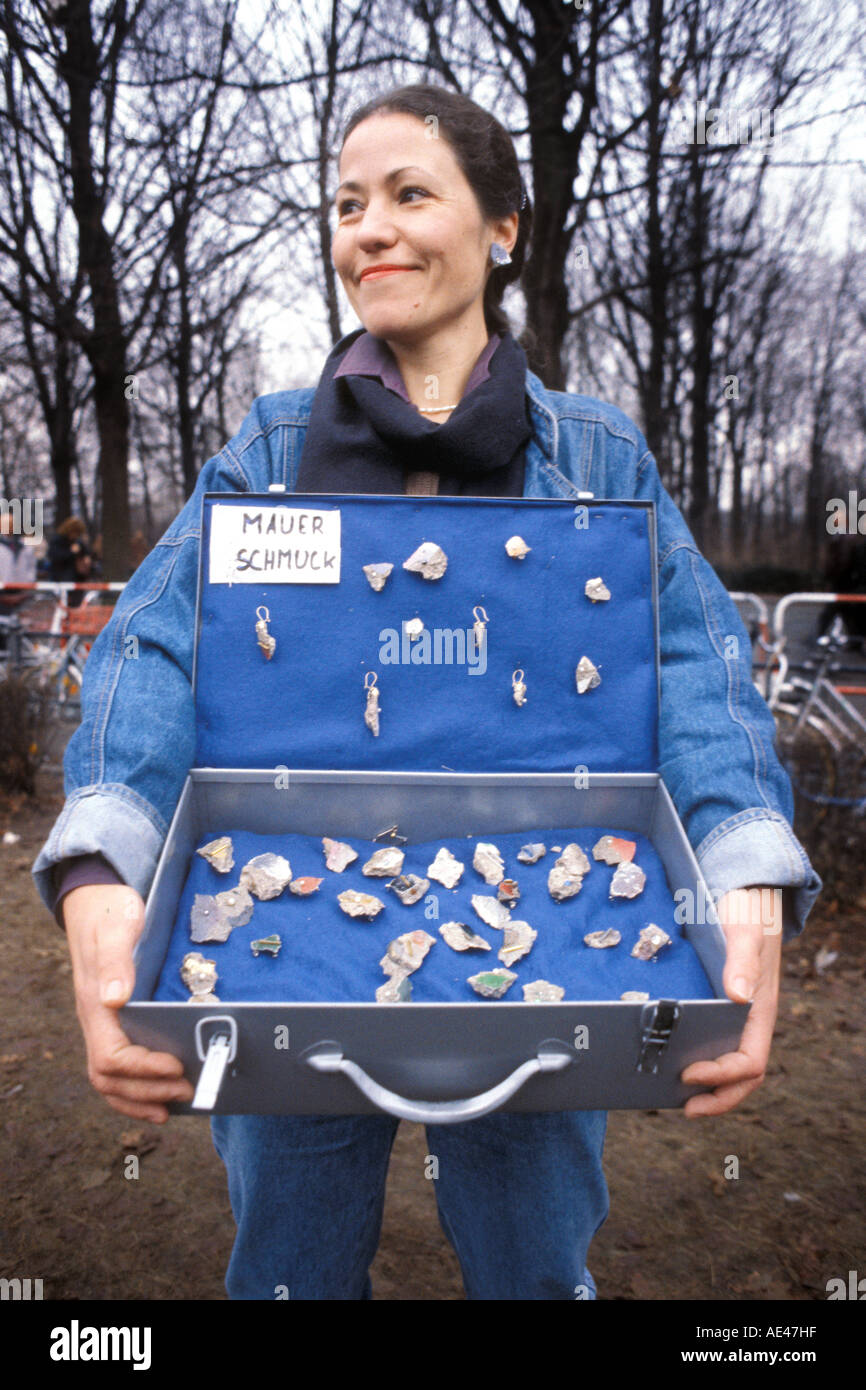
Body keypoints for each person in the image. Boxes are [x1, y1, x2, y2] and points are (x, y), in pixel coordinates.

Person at [33, 84, 821, 1301]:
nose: (370, 229)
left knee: (530, 1256)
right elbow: (153, 650)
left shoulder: (599, 457)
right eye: (348, 203)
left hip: (549, 940)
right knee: (289, 1261)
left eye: (410, 194)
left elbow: (696, 670)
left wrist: (744, 881)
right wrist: (101, 878)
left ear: (505, 226)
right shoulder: (266, 454)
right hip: (286, 949)